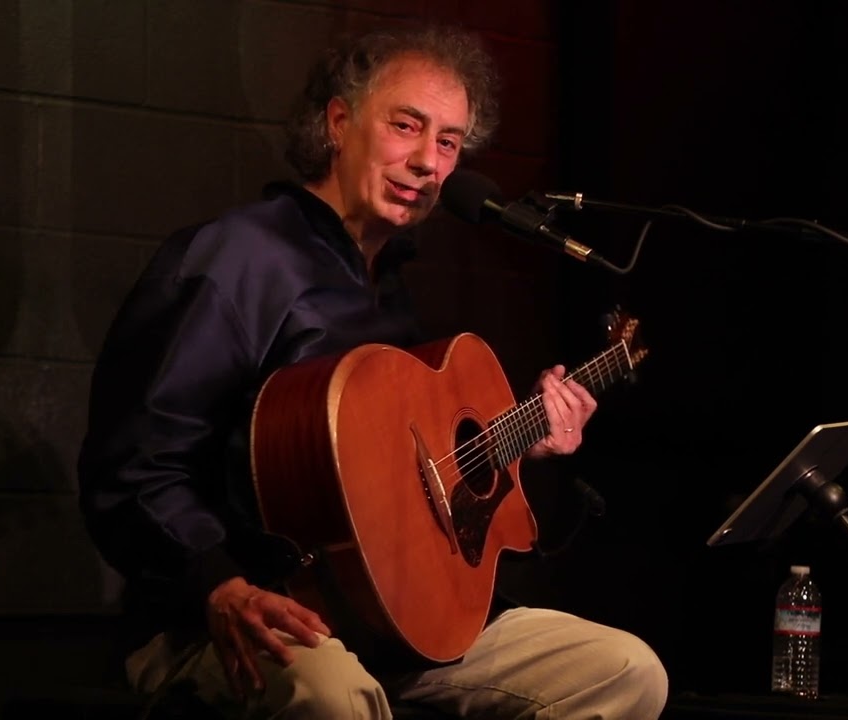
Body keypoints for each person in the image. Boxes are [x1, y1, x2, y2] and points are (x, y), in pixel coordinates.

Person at [77, 23, 668, 719]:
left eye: (448, 142)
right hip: (236, 613)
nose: (426, 161)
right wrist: (218, 584)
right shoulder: (238, 259)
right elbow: (133, 466)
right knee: (333, 697)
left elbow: (413, 484)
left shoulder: (390, 293)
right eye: (406, 126)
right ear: (338, 123)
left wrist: (522, 440)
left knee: (623, 671)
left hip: (385, 627)